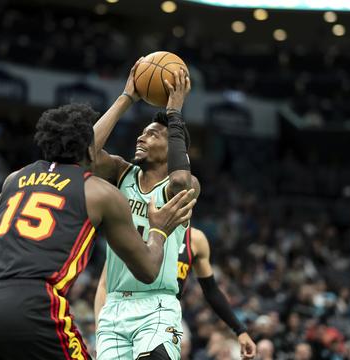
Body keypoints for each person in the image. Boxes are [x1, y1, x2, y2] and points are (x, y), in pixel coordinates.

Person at [0, 103, 196, 360]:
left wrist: (127, 97)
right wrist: (158, 231)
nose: (141, 137)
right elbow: (148, 269)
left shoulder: (16, 178)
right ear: (90, 147)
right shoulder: (98, 190)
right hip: (30, 303)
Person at [92, 59, 199, 360]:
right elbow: (83, 154)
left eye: (153, 134)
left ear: (172, 148)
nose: (141, 137)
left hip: (157, 304)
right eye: (142, 132)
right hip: (114, 306)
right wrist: (126, 97)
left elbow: (180, 178)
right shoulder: (121, 172)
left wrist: (174, 113)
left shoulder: (184, 185)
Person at [175, 228, 256, 358]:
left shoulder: (195, 239)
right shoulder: (144, 228)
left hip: (167, 316)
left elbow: (211, 290)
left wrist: (240, 330)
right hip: (135, 307)